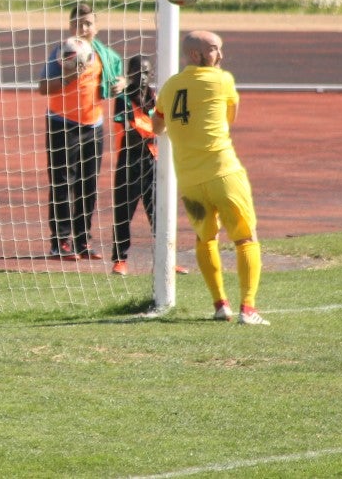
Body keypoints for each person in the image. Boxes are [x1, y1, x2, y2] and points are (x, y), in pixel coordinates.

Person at [153, 31, 268, 325]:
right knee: (246, 238)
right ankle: (248, 309)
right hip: (223, 174)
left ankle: (220, 305)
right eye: (215, 50)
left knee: (205, 238)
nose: (221, 56)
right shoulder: (222, 80)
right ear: (196, 54)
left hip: (190, 182)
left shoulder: (169, 86)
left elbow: (157, 127)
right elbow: (231, 118)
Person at [39, 2, 124, 260]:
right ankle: (60, 241)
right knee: (63, 183)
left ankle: (83, 239)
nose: (83, 28)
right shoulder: (62, 52)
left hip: (92, 127)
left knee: (89, 185)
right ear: (70, 26)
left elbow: (118, 79)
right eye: (78, 23)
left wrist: (121, 83)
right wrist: (67, 77)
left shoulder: (105, 56)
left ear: (95, 27)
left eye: (88, 23)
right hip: (61, 125)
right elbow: (43, 87)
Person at [108, 54, 189, 276]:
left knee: (158, 212)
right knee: (124, 213)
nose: (141, 77)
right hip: (129, 161)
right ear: (129, 74)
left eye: (145, 72)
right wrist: (155, 130)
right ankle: (120, 259)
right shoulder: (123, 98)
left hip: (152, 161)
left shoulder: (155, 97)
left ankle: (167, 260)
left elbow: (166, 123)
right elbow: (131, 132)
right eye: (136, 72)